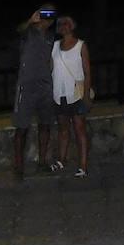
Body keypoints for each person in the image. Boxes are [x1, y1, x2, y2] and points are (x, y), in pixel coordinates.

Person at [13, 4, 58, 178]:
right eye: (45, 12)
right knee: (21, 128)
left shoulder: (51, 36)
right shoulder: (29, 31)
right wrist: (31, 20)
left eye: (51, 14)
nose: (47, 17)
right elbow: (19, 30)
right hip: (26, 85)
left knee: (45, 124)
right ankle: (18, 167)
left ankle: (42, 162)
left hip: (45, 86)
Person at [51, 14, 92, 177]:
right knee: (62, 128)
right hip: (59, 93)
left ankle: (83, 165)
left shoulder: (81, 45)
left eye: (67, 23)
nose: (63, 26)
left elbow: (87, 72)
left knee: (79, 128)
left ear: (73, 26)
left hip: (75, 93)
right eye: (60, 24)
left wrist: (87, 95)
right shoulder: (54, 46)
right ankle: (62, 159)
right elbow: (50, 68)